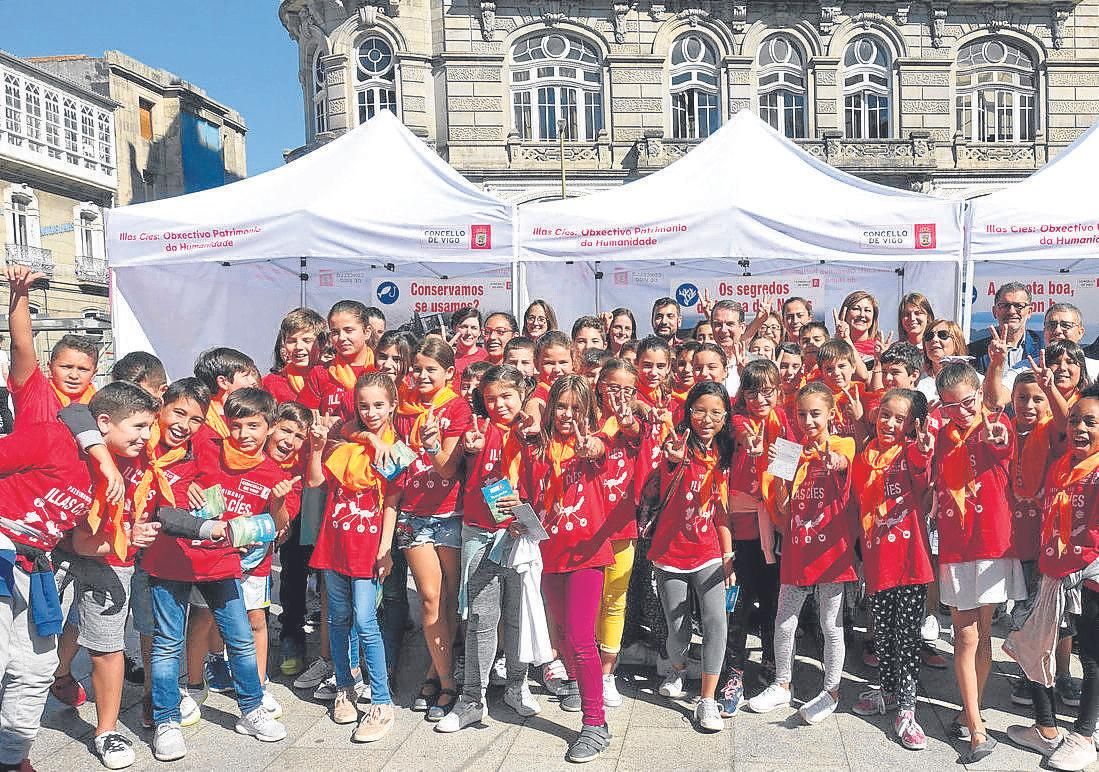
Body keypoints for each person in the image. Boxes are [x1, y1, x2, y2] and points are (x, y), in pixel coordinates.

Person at [436, 365, 541, 732]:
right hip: (481, 533)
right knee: (481, 617)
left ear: (523, 393)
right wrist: (468, 449)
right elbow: (455, 466)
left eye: (506, 396)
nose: (499, 405)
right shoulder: (478, 430)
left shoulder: (532, 431)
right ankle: (471, 699)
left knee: (516, 614)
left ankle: (516, 683)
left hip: (521, 534)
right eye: (491, 398)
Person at [516, 375, 612, 763]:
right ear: (550, 407)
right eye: (562, 406)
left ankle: (596, 723)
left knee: (580, 635)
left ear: (588, 412)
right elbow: (526, 493)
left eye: (577, 408)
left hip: (588, 554)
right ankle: (576, 681)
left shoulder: (589, 447)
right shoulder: (538, 450)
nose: (568, 415)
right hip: (548, 553)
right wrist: (518, 515)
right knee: (564, 633)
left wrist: (590, 443)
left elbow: (598, 448)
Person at [748, 382, 856, 724]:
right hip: (798, 549)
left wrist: (832, 460)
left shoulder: (843, 443)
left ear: (831, 414)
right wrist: (764, 465)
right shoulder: (787, 450)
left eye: (815, 414)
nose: (808, 420)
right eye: (801, 414)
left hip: (832, 552)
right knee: (785, 619)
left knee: (830, 623)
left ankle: (832, 690)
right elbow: (778, 505)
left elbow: (842, 463)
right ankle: (782, 684)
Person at [933, 362, 1024, 763]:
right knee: (966, 636)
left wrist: (997, 429)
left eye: (967, 402)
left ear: (979, 396)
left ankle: (971, 710)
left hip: (992, 546)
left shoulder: (996, 426)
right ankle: (975, 727)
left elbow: (1002, 441)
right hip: (956, 548)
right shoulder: (940, 439)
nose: (960, 412)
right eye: (950, 407)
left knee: (983, 634)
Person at [1006, 387, 1099, 771]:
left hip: (1089, 579)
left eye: (1090, 422)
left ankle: (1083, 736)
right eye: (1075, 419)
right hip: (1053, 574)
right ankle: (1045, 728)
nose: (1079, 427)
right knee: (1034, 646)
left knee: (1092, 658)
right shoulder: (1063, 464)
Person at [306, 372, 398, 742]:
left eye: (378, 404)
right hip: (335, 544)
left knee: (365, 620)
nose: (371, 411)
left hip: (368, 550)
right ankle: (344, 686)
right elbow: (314, 481)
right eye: (364, 405)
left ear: (392, 404)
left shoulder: (393, 450)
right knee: (338, 619)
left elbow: (391, 503)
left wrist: (385, 549)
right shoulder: (344, 441)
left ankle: (381, 700)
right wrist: (315, 448)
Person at [851, 388, 935, 751]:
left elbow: (921, 464)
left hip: (910, 563)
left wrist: (923, 446)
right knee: (882, 635)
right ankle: (887, 690)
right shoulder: (866, 455)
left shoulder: (909, 452)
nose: (889, 423)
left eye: (899, 419)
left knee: (907, 638)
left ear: (911, 425)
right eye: (885, 414)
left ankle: (907, 706)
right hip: (876, 561)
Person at [393, 338, 471, 722]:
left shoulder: (457, 407)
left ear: (448, 374)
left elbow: (447, 468)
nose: (423, 376)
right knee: (428, 597)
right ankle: (447, 681)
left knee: (451, 600)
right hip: (411, 515)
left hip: (450, 514)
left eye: (431, 370)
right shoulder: (400, 407)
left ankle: (433, 671)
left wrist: (432, 444)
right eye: (418, 369)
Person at [649, 381, 732, 733]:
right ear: (688, 412)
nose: (707, 418)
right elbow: (667, 465)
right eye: (699, 410)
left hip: (709, 551)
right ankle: (678, 667)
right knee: (679, 631)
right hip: (670, 553)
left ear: (726, 417)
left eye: (716, 412)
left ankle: (707, 699)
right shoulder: (677, 446)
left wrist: (728, 555)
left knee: (716, 622)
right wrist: (671, 456)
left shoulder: (725, 454)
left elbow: (722, 512)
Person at [724, 360, 791, 715]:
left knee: (773, 600)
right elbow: (737, 431)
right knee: (738, 602)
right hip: (742, 527)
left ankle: (770, 659)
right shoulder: (737, 422)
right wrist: (750, 442)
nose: (760, 398)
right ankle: (732, 672)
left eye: (767, 390)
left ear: (777, 391)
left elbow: (788, 474)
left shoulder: (785, 423)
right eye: (752, 391)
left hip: (776, 525)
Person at [591, 359, 640, 708]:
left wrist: (628, 421)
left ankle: (606, 674)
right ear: (598, 386)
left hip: (622, 529)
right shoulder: (583, 421)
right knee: (586, 601)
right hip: (584, 529)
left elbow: (635, 432)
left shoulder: (635, 427)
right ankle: (584, 668)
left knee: (614, 601)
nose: (619, 396)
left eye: (628, 390)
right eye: (612, 387)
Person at [7, 266, 99, 429]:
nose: (74, 375)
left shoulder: (103, 404)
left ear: (94, 373)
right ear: (49, 367)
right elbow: (20, 345)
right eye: (66, 366)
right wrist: (20, 293)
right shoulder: (34, 391)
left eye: (83, 369)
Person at [299, 301, 377, 419]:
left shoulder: (381, 369)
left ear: (367, 332)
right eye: (335, 332)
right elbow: (302, 418)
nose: (341, 338)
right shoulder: (320, 373)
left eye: (349, 330)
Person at [968, 281, 1042, 375]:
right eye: (1005, 306)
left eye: (1018, 306)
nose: (1011, 311)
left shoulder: (1043, 347)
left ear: (1029, 312)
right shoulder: (974, 352)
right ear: (995, 312)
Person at [263, 308, 325, 404]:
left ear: (321, 343)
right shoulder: (270, 383)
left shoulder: (333, 377)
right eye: (291, 341)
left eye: (307, 340)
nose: (298, 347)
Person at [709, 300, 745, 395]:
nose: (724, 330)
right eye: (718, 324)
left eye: (730, 324)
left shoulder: (755, 362)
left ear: (742, 328)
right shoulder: (701, 363)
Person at [834, 290, 880, 360]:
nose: (862, 314)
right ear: (845, 313)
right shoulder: (832, 348)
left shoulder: (880, 348)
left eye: (867, 310)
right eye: (856, 309)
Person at [449, 307, 489, 388]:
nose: (468, 332)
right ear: (454, 329)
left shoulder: (487, 357)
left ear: (479, 332)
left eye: (474, 328)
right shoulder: (448, 356)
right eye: (464, 327)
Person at [0, 333, 11, 434]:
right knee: (4, 409)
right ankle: (10, 431)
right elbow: (5, 371)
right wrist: (8, 383)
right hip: (2, 385)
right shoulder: (2, 354)